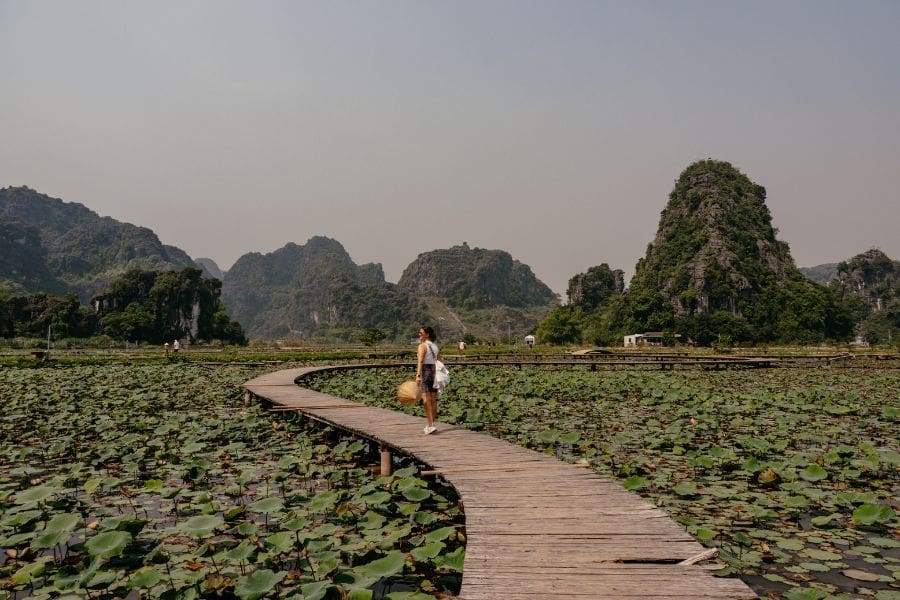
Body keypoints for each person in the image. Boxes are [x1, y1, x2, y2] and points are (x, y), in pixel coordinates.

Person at [416, 326, 440, 435]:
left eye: (421, 333)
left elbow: (420, 361)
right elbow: (440, 359)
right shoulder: (435, 346)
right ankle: (432, 424)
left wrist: (418, 375)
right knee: (433, 399)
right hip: (434, 371)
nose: (419, 335)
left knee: (426, 399)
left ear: (427, 334)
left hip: (426, 371)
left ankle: (430, 425)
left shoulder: (422, 346)